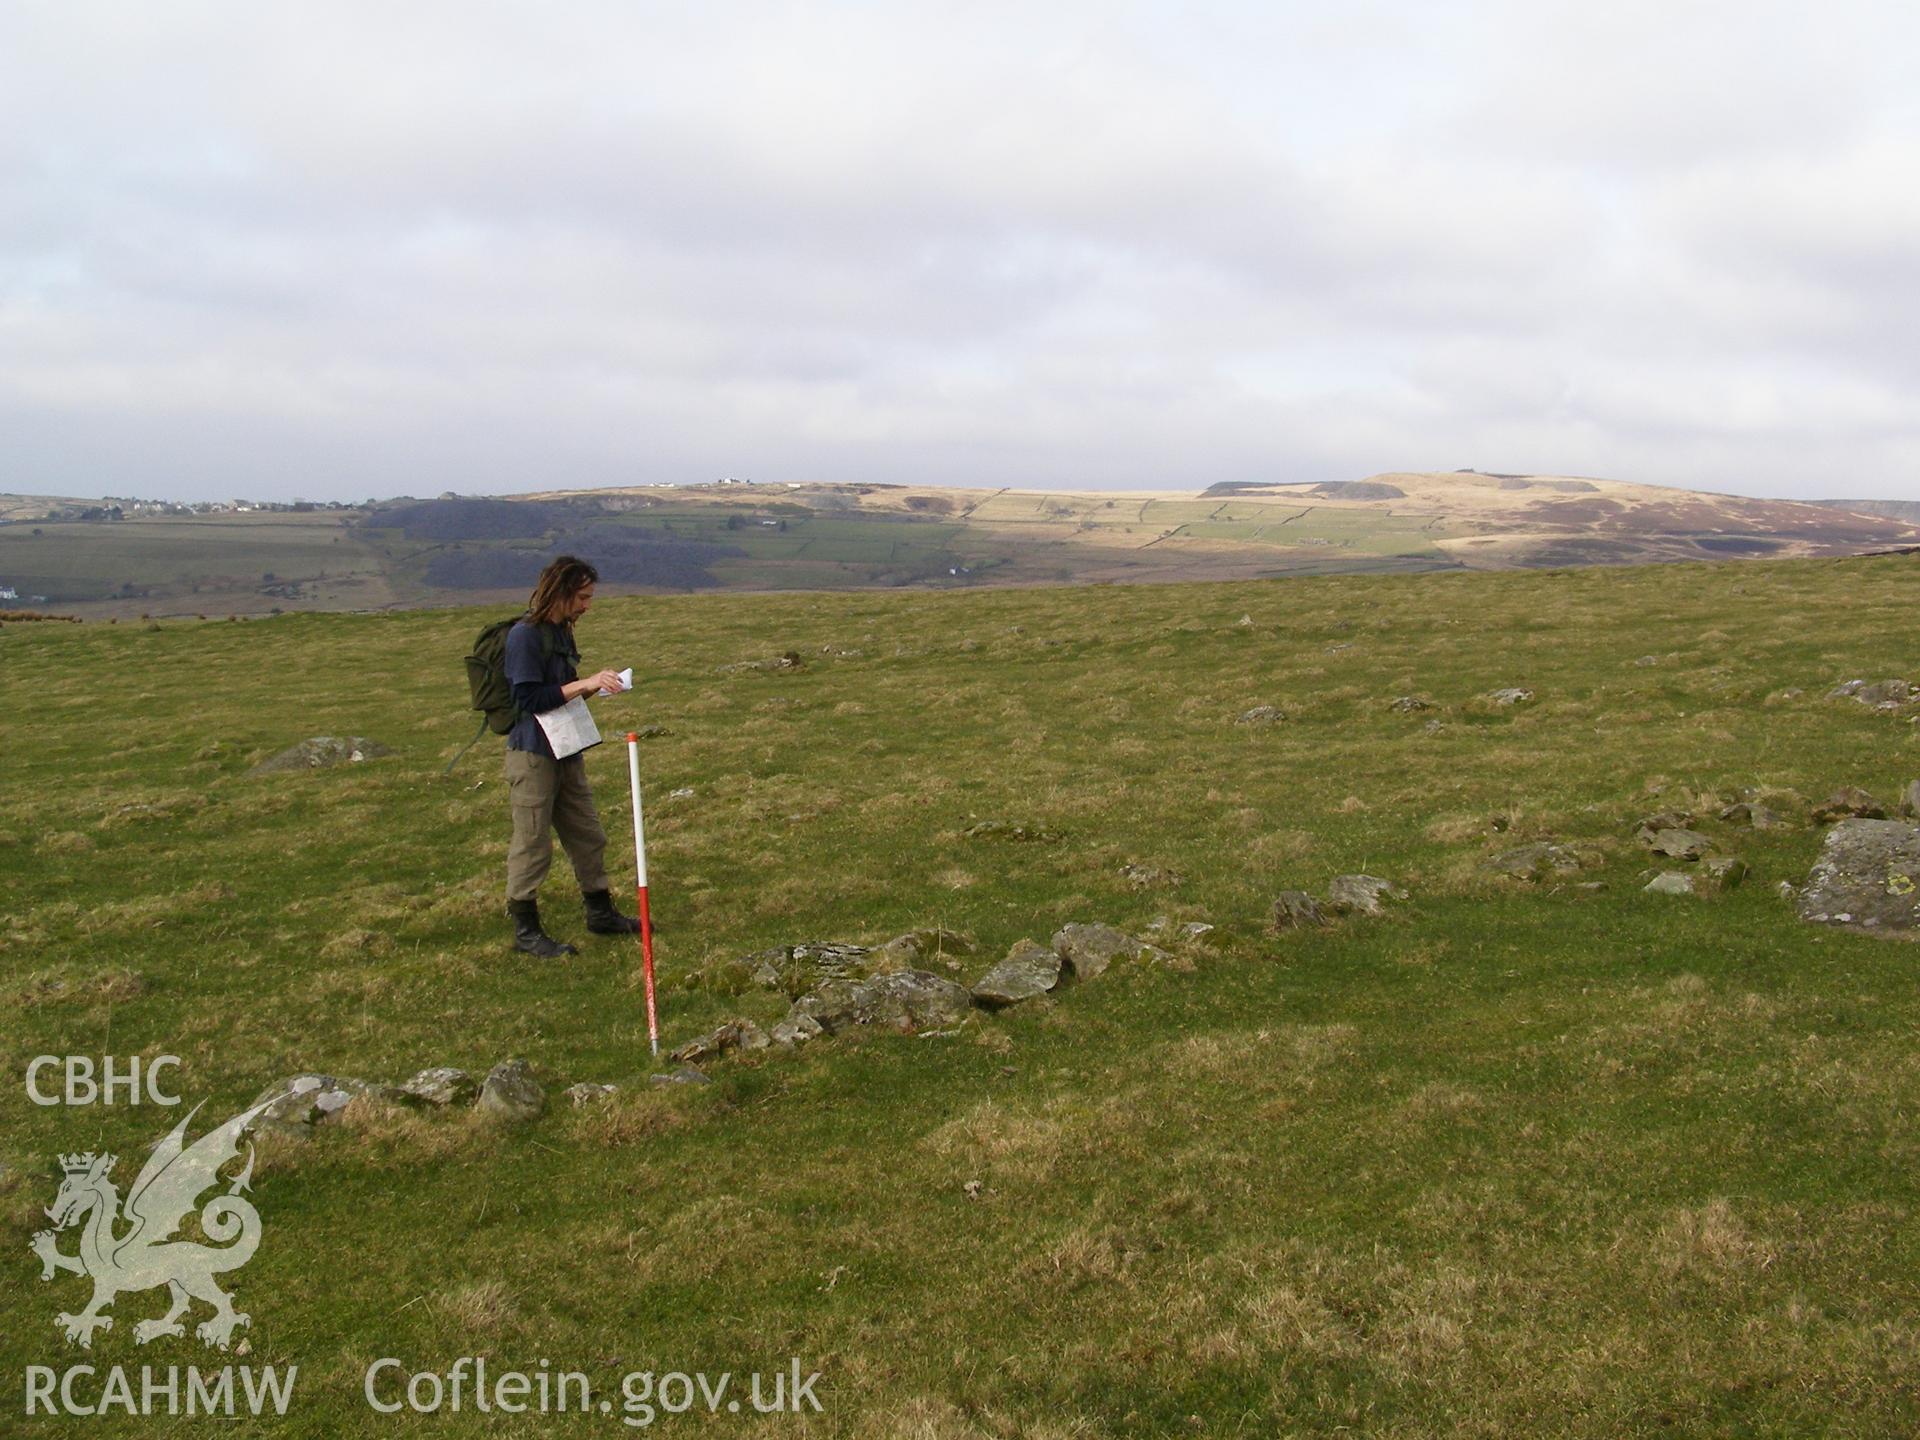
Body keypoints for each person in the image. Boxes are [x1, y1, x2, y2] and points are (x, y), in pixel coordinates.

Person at [502, 555, 640, 957]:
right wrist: (585, 683)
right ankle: (526, 932)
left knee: (588, 834)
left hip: (566, 749)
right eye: (581, 597)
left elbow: (560, 689)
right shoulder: (524, 637)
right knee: (532, 843)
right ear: (559, 591)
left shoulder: (561, 632)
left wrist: (597, 684)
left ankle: (600, 914)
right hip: (533, 755)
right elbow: (528, 698)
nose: (586, 605)